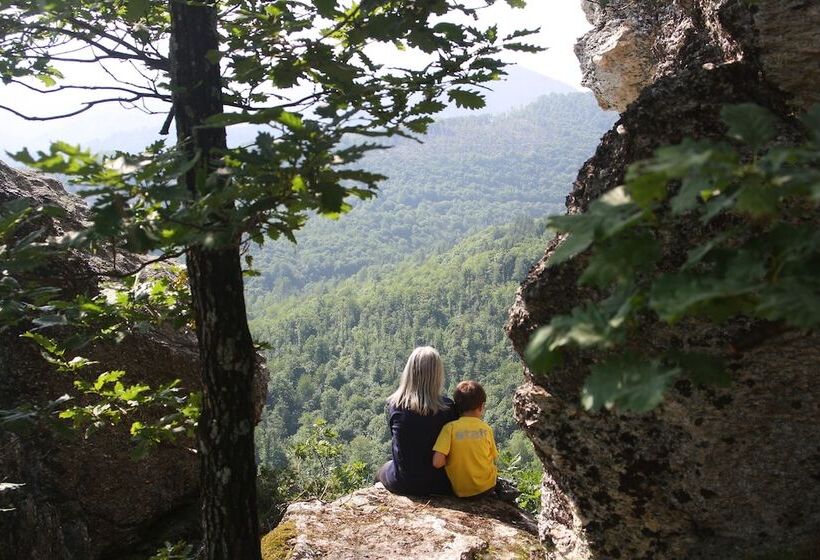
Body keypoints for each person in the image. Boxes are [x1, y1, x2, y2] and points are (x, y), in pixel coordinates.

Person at [377, 346, 457, 495]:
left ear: (410, 372)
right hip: (441, 483)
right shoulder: (449, 407)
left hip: (404, 482)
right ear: (437, 374)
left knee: (382, 469)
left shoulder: (395, 405)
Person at [432, 380, 498, 498]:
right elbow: (493, 456)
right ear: (482, 406)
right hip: (487, 488)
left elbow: (437, 463)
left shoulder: (449, 428)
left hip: (462, 492)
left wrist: (453, 458)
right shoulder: (486, 428)